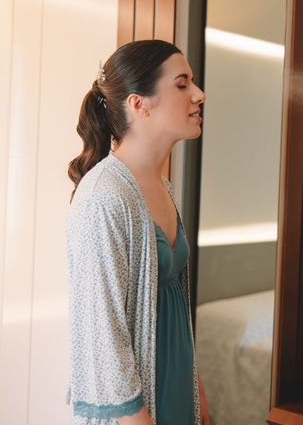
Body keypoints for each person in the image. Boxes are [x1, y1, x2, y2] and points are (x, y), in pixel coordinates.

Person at [66, 40, 210, 425]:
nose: (199, 94)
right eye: (182, 84)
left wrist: (196, 390)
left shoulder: (162, 186)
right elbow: (102, 334)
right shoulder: (103, 195)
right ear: (139, 103)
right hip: (133, 413)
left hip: (176, 393)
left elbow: (173, 301)